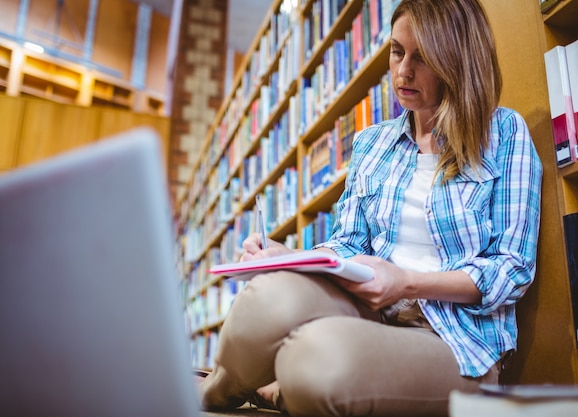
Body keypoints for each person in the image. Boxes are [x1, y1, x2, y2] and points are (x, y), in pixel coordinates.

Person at [197, 0, 543, 415]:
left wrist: (407, 282)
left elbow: (512, 267)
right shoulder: (372, 143)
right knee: (269, 296)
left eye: (423, 58)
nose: (403, 71)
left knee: (312, 360)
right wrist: (290, 257)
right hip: (372, 312)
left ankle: (276, 390)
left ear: (458, 60)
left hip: (457, 342)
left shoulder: (504, 134)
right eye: (397, 51)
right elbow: (349, 243)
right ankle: (212, 394)